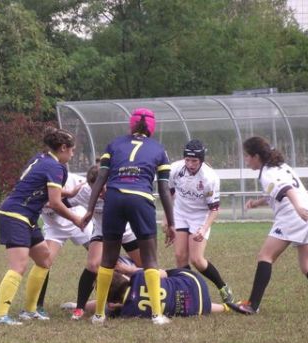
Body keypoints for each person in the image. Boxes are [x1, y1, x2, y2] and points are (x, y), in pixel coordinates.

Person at [229, 136, 308, 315]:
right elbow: (275, 193)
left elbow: (287, 190)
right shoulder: (280, 166)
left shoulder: (268, 174)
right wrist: (257, 203)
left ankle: (252, 305)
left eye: (247, 156)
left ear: (257, 156)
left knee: (265, 256)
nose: (246, 160)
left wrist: (298, 208)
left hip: (295, 215)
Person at [82, 108, 176, 325]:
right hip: (140, 199)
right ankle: (156, 315)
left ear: (131, 125)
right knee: (150, 259)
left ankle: (98, 314)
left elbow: (100, 179)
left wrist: (89, 209)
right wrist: (171, 223)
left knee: (108, 259)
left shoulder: (114, 145)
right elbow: (163, 190)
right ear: (152, 127)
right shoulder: (159, 150)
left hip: (114, 198)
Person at [0, 127, 85, 325]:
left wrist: (69, 193)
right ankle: (0, 315)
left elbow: (38, 186)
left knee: (44, 259)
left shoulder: (41, 159)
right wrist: (77, 220)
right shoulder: (55, 167)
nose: (73, 153)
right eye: (72, 149)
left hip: (27, 216)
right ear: (62, 148)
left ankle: (30, 310)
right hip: (15, 214)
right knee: (19, 265)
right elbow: (55, 203)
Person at [66, 163, 143, 320]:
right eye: (96, 190)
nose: (100, 194)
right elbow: (62, 204)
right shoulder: (85, 192)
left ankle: (144, 300)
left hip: (127, 231)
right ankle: (80, 308)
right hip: (102, 231)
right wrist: (74, 215)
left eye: (102, 189)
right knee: (93, 265)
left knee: (146, 267)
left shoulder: (121, 189)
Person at [164, 139, 235, 304]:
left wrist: (203, 229)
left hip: (200, 216)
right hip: (180, 213)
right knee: (180, 256)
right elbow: (170, 193)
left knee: (197, 260)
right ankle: (187, 295)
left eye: (194, 160)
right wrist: (167, 219)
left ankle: (222, 287)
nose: (190, 164)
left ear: (201, 160)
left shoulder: (210, 178)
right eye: (187, 160)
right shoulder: (175, 169)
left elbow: (214, 209)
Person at [80, 258, 230, 318]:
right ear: (124, 278)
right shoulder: (138, 278)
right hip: (194, 282)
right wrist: (130, 270)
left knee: (184, 303)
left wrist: (80, 305)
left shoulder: (128, 312)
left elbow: (107, 306)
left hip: (195, 309)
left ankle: (224, 308)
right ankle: (227, 307)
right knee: (163, 274)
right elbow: (159, 274)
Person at [34, 171, 91, 319]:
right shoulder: (36, 181)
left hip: (80, 222)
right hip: (55, 228)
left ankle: (109, 299)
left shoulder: (74, 179)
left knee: (101, 261)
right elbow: (51, 203)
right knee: (43, 263)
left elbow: (93, 187)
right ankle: (37, 305)